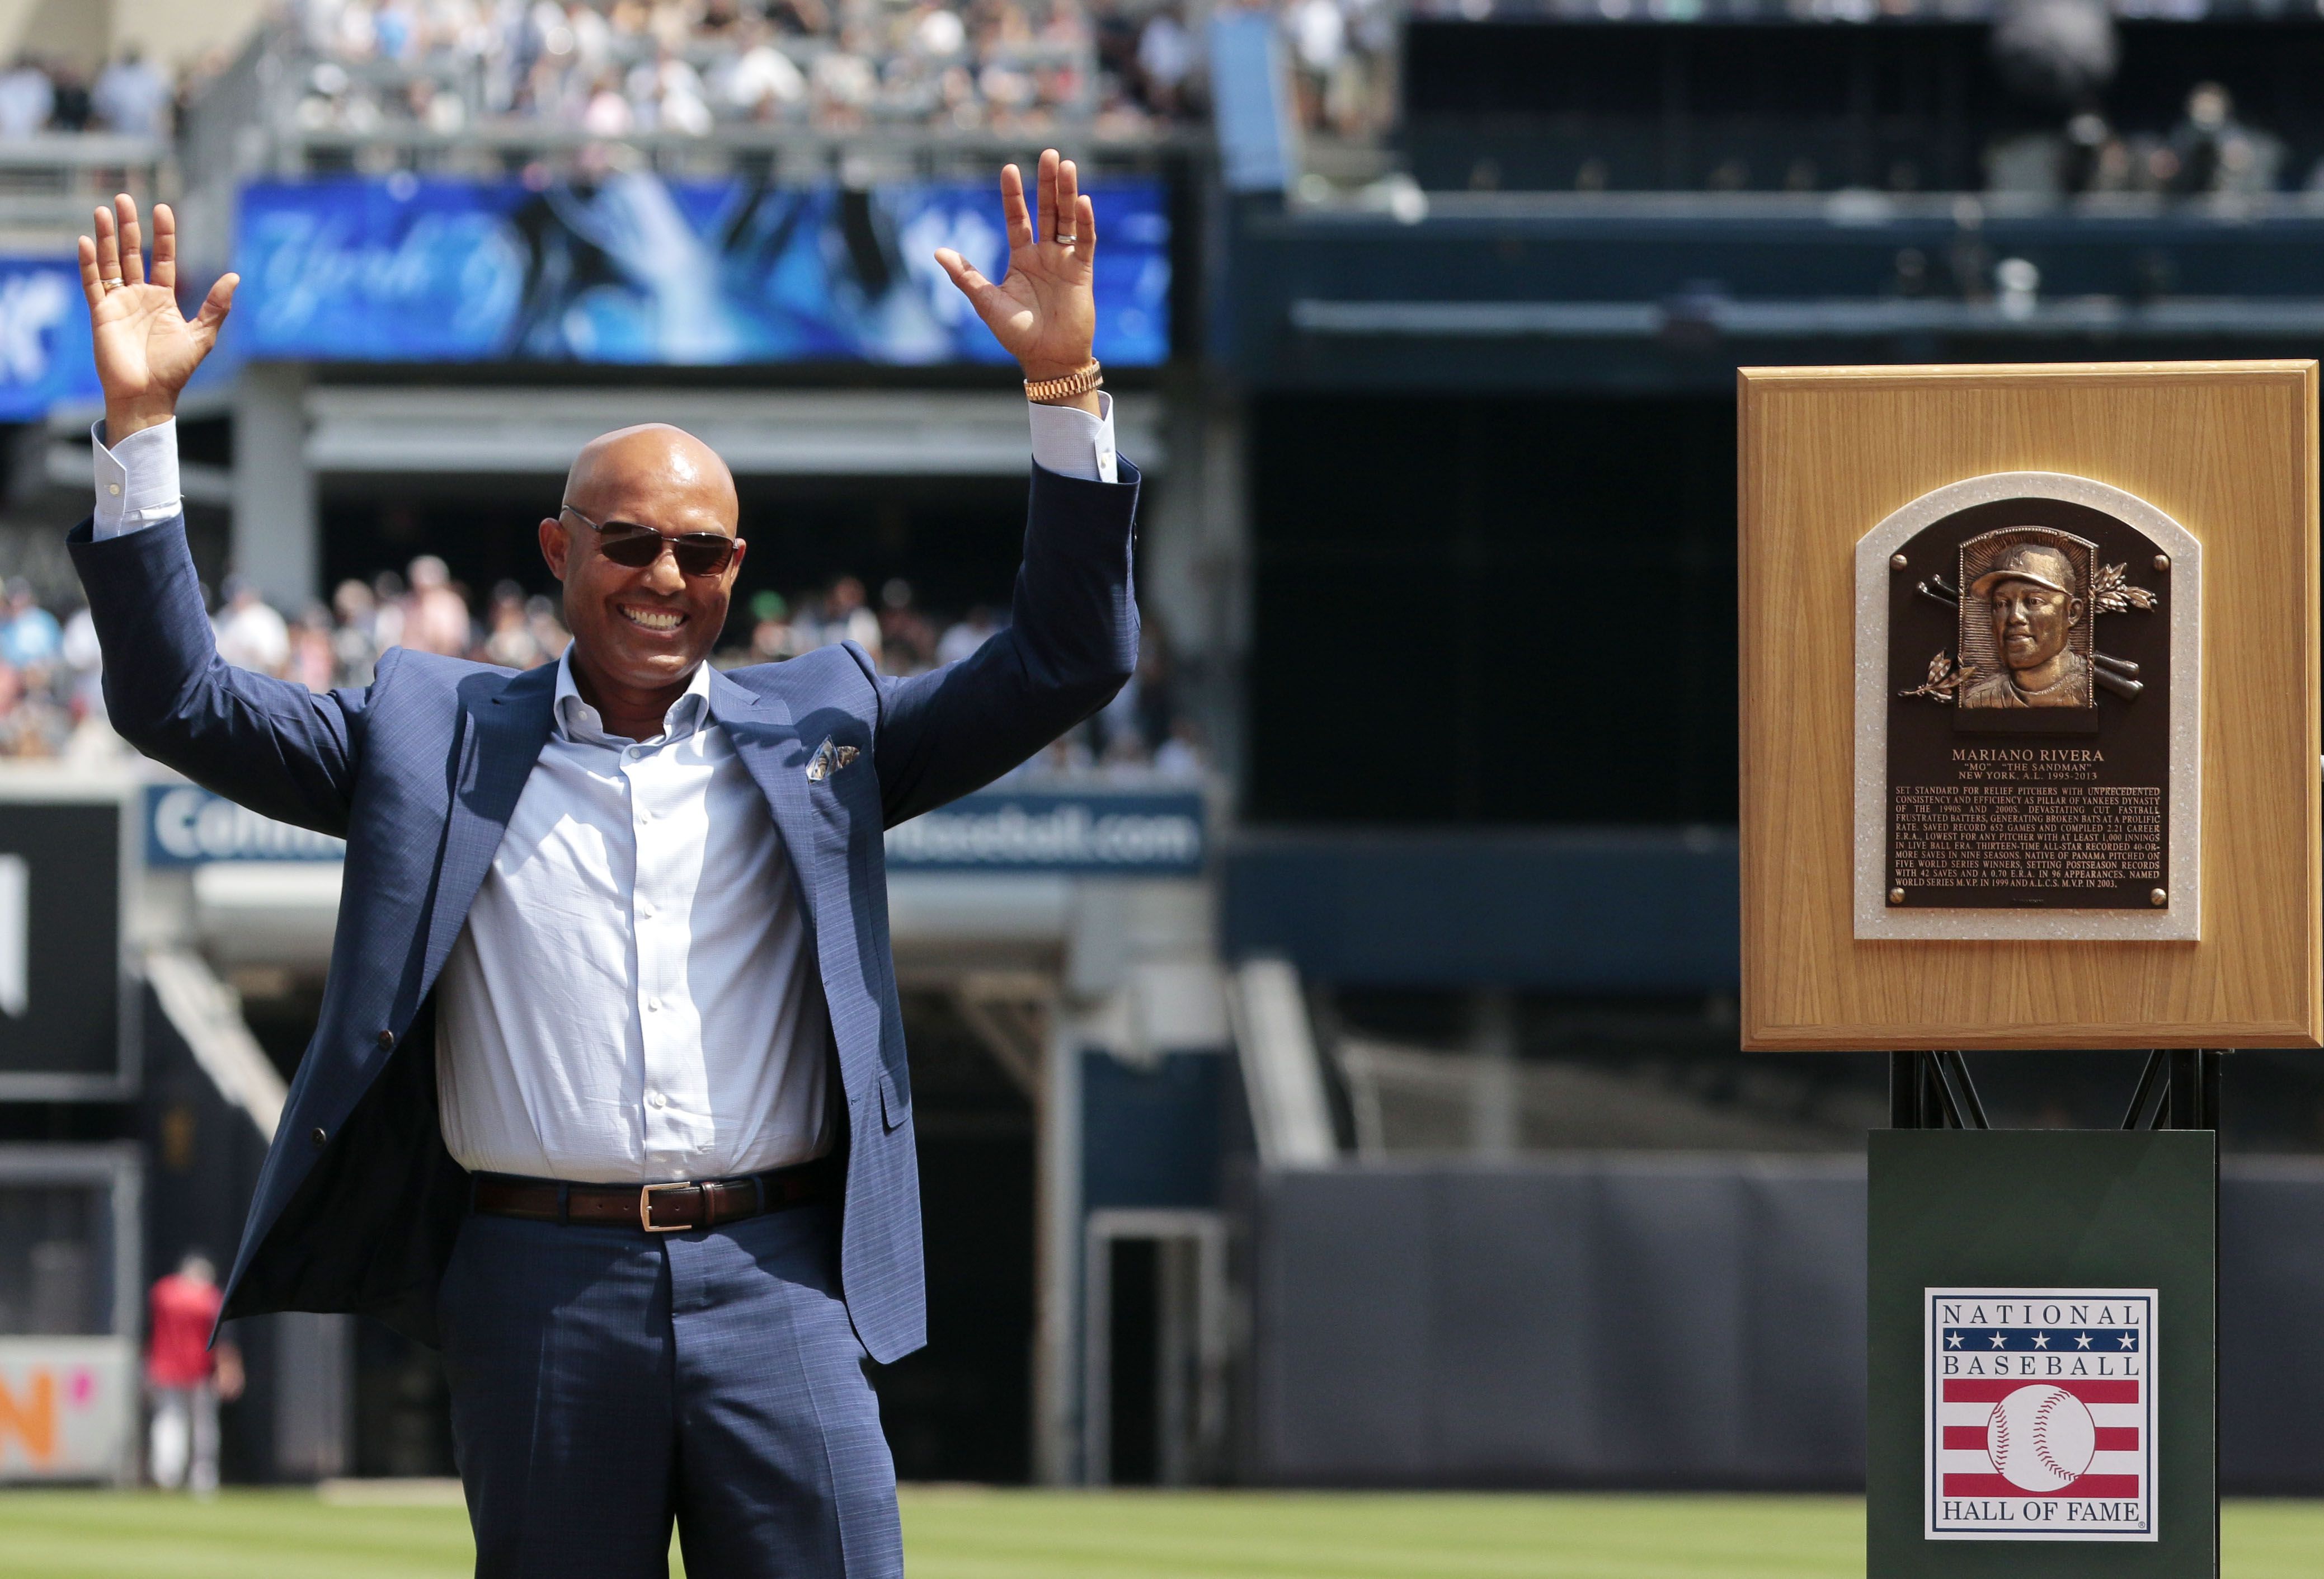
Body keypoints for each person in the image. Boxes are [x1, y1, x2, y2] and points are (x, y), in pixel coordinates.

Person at [72, 159, 1130, 1577]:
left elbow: (1069, 657)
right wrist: (140, 430)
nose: (663, 578)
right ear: (562, 550)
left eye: (700, 553)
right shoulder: (427, 737)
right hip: (538, 1283)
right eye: (628, 543)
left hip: (783, 1278)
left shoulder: (828, 727)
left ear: (736, 567)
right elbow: (178, 703)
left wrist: (1064, 394)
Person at [145, 1253, 244, 1495]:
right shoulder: (210, 1298)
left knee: (170, 1422)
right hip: (200, 1370)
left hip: (166, 1368)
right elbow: (224, 1338)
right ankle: (203, 1479)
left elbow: (148, 1330)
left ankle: (167, 1475)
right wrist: (230, 1368)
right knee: (203, 1427)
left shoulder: (163, 1292)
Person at [1960, 540, 2091, 709]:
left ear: (2072, 613)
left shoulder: (2093, 690)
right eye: (2001, 604)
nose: (2015, 617)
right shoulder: (1976, 701)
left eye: (2034, 601)